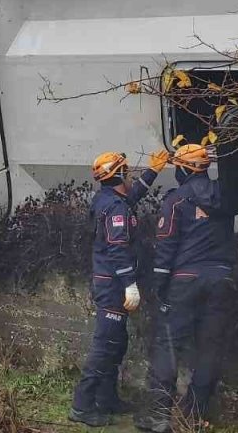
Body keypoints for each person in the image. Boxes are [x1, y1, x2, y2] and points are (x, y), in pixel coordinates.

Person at [136, 143, 238, 433]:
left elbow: (166, 246)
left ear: (183, 169)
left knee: (168, 345)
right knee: (211, 347)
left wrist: (157, 287)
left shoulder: (177, 200)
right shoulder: (225, 197)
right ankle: (192, 415)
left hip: (184, 282)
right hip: (222, 280)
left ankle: (158, 417)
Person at [69, 149, 170, 427]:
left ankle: (107, 398)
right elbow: (117, 249)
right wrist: (130, 285)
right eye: (126, 172)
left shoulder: (111, 199)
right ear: (117, 175)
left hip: (109, 283)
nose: (130, 175)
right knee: (105, 346)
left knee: (116, 344)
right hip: (113, 287)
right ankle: (82, 405)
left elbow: (132, 196)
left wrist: (153, 172)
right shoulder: (114, 207)